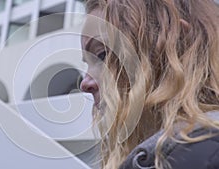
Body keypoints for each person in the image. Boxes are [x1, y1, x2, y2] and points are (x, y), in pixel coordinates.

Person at [79, 0, 219, 168]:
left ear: (177, 43)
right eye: (87, 63)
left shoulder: (201, 155)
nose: (84, 84)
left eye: (102, 55)